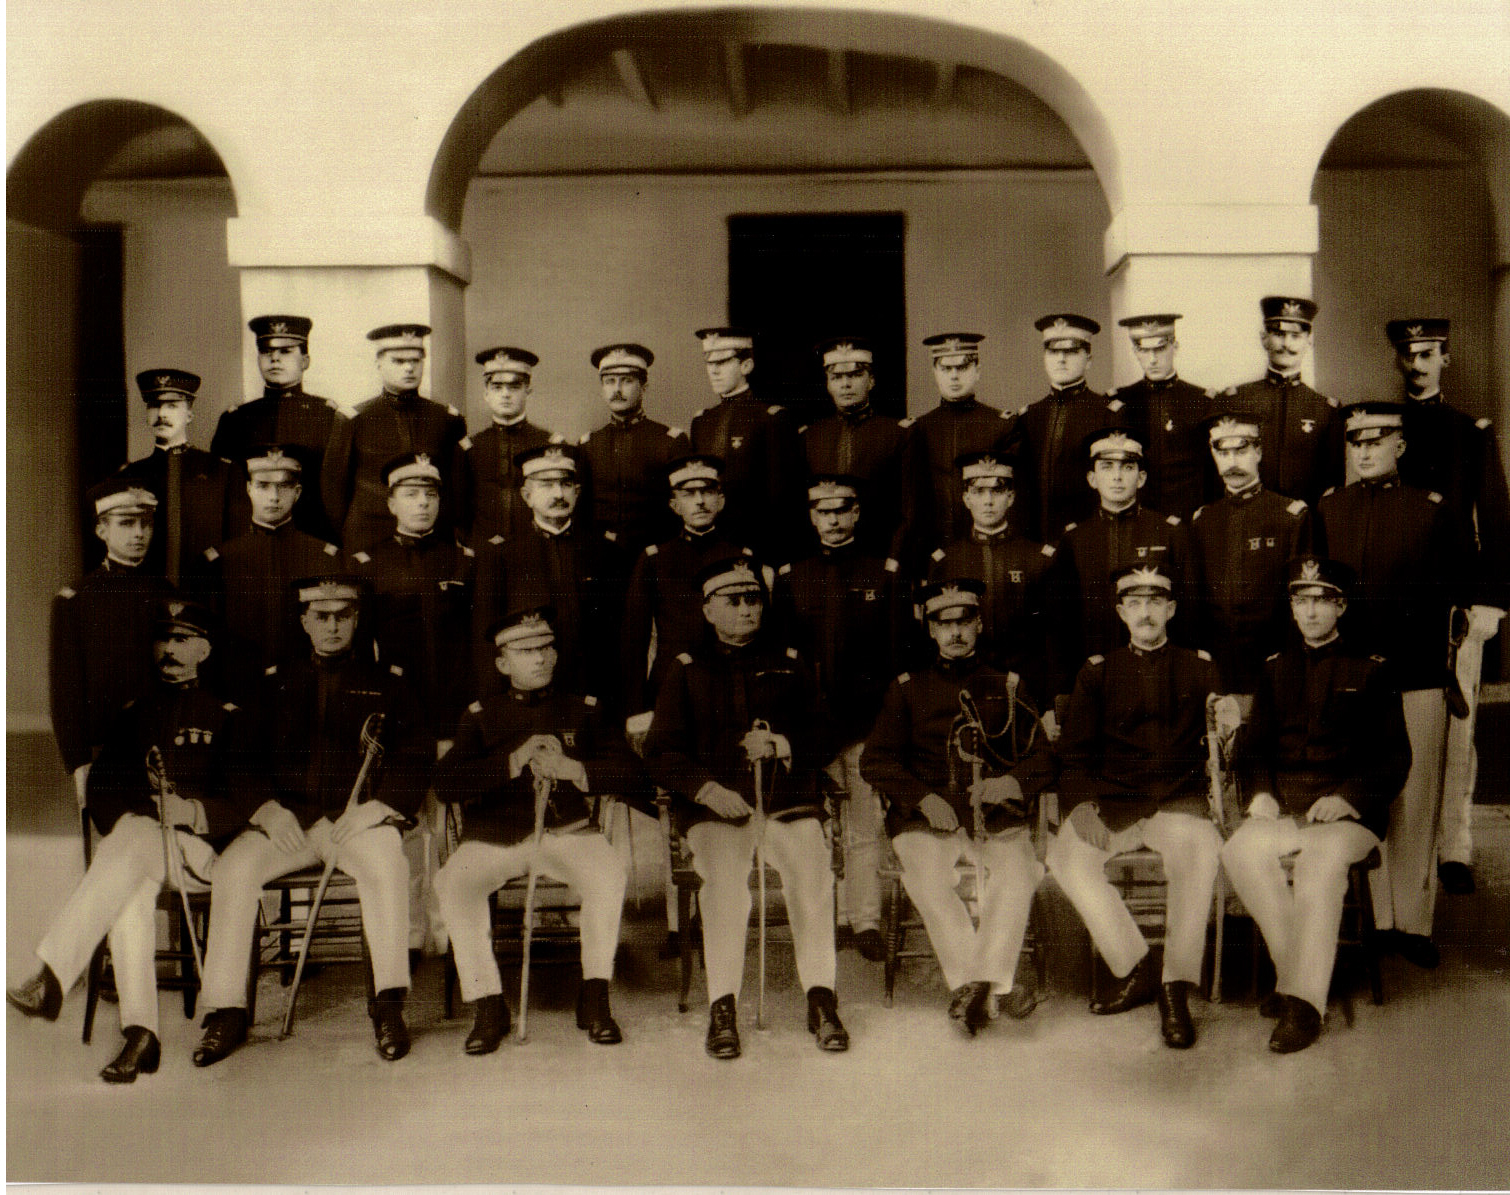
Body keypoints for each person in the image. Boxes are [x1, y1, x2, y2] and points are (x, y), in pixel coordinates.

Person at [190, 575, 431, 1066]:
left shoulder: (389, 683)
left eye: (343, 615)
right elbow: (240, 759)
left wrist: (380, 806)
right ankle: (227, 1010)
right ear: (304, 621)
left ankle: (388, 1004)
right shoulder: (271, 682)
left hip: (355, 821)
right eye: (321, 616)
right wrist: (265, 808)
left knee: (387, 865)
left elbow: (415, 754)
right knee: (234, 872)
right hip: (290, 822)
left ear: (357, 619)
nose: (333, 626)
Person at [9, 600, 244, 1082]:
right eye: (162, 639)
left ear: (205, 649)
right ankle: (141, 1034)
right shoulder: (135, 713)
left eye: (182, 639)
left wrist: (192, 812)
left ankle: (54, 974)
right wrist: (138, 819)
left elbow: (250, 799)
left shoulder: (227, 714)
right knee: (129, 884)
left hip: (208, 854)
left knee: (130, 845)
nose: (168, 649)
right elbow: (104, 791)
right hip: (144, 853)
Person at [645, 555, 848, 1058]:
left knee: (812, 871)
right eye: (732, 601)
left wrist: (781, 743)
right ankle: (723, 1005)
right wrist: (707, 789)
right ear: (708, 610)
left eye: (753, 598)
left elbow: (824, 736)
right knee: (723, 886)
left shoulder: (791, 659)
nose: (745, 609)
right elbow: (660, 751)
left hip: (786, 804)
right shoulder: (685, 668)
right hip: (718, 812)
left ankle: (821, 997)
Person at [434, 605, 646, 1053]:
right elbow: (446, 784)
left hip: (566, 831)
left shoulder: (584, 710)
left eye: (547, 647)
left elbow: (632, 774)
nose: (541, 658)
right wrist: (511, 762)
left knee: (608, 874)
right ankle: (488, 1002)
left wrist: (573, 768)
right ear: (502, 662)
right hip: (496, 836)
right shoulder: (479, 716)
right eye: (526, 650)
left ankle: (594, 995)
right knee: (453, 882)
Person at [1223, 555, 1410, 1053]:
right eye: (1300, 601)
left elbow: (1395, 758)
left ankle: (1304, 1006)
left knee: (1319, 865)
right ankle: (1298, 977)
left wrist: (1347, 798)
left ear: (1341, 607)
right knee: (1238, 852)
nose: (1309, 612)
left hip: (1348, 817)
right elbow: (1255, 748)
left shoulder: (1371, 671)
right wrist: (1261, 793)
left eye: (1321, 601)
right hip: (1287, 809)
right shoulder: (1276, 669)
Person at [1316, 399, 1475, 969]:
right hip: (1350, 680)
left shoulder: (1431, 510)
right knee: (1357, 795)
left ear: (1399, 447)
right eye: (1356, 443)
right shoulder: (1328, 509)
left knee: (1415, 798)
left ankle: (1411, 923)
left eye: (1377, 441)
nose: (1365, 451)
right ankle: (1371, 920)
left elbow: (1454, 592)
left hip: (1414, 675)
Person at [862, 579, 1054, 1033]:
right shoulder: (908, 689)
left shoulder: (1008, 685)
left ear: (979, 624)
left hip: (994, 816)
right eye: (943, 623)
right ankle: (992, 987)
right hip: (926, 820)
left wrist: (1009, 781)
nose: (955, 633)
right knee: (927, 877)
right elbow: (875, 761)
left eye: (964, 621)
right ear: (930, 630)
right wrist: (923, 798)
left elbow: (1044, 756)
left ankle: (973, 989)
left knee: (1021, 871)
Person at [1046, 563, 1223, 1049]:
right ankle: (1137, 965)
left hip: (1179, 799)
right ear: (1122, 612)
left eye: (1155, 603)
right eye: (1136, 604)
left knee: (1198, 857)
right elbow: (1076, 751)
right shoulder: (1098, 672)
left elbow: (1223, 748)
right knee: (1065, 858)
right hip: (1115, 799)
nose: (1146, 614)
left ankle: (1175, 985)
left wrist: (1230, 730)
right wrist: (1081, 806)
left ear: (1171, 609)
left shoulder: (1201, 668)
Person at [1387, 317, 1510, 895]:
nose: (1418, 364)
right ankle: (1398, 844)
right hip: (1397, 601)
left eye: (1428, 353)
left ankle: (1453, 845)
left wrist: (1489, 603)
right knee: (1396, 728)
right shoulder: (1379, 429)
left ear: (1445, 359)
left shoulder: (1471, 432)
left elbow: (1497, 522)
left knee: (1458, 730)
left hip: (1456, 604)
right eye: (1409, 354)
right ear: (1397, 361)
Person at [773, 474, 911, 960]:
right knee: (813, 830)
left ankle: (865, 921)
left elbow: (898, 659)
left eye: (842, 510)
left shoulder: (884, 574)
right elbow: (783, 660)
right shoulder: (791, 578)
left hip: (865, 723)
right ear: (812, 517)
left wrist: (886, 725)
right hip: (809, 726)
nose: (833, 520)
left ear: (856, 514)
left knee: (862, 825)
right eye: (822, 511)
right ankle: (825, 919)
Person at [51, 479, 176, 807]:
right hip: (103, 751)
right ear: (101, 531)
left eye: (145, 524)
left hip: (165, 748)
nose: (138, 534)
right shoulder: (76, 600)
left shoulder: (168, 595)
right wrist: (79, 763)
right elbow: (66, 690)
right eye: (126, 524)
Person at [1048, 427, 1195, 698]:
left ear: (1141, 478)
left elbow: (1188, 614)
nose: (1116, 477)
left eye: (1127, 467)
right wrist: (1062, 689)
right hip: (1094, 678)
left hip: (1160, 676)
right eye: (1106, 467)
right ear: (1092, 478)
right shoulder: (1075, 540)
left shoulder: (1170, 532)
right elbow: (1061, 623)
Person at [619, 454, 756, 732]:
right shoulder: (654, 559)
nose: (700, 501)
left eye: (707, 492)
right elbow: (635, 641)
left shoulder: (740, 557)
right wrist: (636, 708)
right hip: (671, 686)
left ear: (721, 500)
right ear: (674, 505)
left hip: (728, 684)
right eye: (689, 494)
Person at [1188, 406, 1313, 695]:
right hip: (1219, 667)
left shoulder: (1290, 515)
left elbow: (1300, 595)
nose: (1231, 461)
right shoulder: (1203, 520)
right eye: (1223, 452)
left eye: (1241, 451)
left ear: (1258, 452)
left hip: (1274, 664)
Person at [200, 446, 342, 699]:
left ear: (297, 492)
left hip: (305, 693)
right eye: (264, 486)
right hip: (240, 692)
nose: (274, 496)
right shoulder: (221, 559)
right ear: (248, 489)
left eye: (284, 486)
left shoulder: (323, 557)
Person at [471, 444, 613, 698]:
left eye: (566, 484)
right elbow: (485, 639)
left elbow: (620, 636)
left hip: (595, 692)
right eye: (546, 485)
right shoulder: (501, 555)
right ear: (526, 495)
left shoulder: (604, 550)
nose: (559, 493)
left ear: (577, 492)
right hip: (530, 696)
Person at [350, 452, 474, 739]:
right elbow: (363, 648)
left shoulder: (463, 560)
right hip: (397, 702)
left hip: (456, 702)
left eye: (431, 494)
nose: (423, 502)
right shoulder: (368, 564)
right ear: (392, 504)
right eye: (411, 494)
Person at [927, 451, 1056, 705]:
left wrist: (1050, 702)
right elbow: (933, 639)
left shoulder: (1038, 558)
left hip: (1028, 688)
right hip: (963, 690)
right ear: (965, 499)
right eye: (978, 492)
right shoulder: (945, 561)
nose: (988, 501)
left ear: (1011, 497)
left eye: (996, 492)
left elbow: (1053, 638)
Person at [322, 324, 466, 551]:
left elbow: (457, 487)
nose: (409, 368)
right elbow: (334, 491)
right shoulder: (353, 420)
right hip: (370, 539)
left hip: (432, 540)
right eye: (398, 361)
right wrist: (347, 542)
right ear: (379, 364)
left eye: (416, 361)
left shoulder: (446, 419)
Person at [212, 315, 345, 540]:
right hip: (251, 541)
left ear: (305, 361)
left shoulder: (328, 417)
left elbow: (339, 490)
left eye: (285, 352)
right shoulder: (235, 419)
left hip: (313, 538)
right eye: (266, 352)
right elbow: (223, 492)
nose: (274, 359)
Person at [689, 326, 806, 558]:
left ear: (746, 366)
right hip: (710, 545)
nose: (713, 371)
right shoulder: (702, 421)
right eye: (709, 364)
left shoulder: (770, 418)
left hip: (757, 545)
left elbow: (780, 500)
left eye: (722, 363)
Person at [799, 336, 921, 560]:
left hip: (880, 556)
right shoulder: (810, 436)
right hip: (823, 559)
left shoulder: (898, 433)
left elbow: (910, 511)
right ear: (827, 383)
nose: (846, 384)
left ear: (871, 380)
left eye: (855, 375)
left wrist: (893, 562)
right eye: (837, 377)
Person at [1014, 313, 1123, 542]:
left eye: (1071, 352)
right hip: (1035, 543)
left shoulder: (1107, 413)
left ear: (1089, 359)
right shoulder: (1028, 416)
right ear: (1044, 357)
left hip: (1089, 541)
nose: (1061, 359)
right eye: (1053, 351)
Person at [117, 369, 232, 585]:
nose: (161, 413)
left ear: (189, 414)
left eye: (172, 405)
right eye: (154, 405)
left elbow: (237, 541)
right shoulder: (129, 476)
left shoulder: (220, 472)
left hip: (206, 593)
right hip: (147, 593)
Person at [1224, 297, 1341, 506]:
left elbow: (1332, 482)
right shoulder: (1236, 400)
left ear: (1309, 340)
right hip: (1247, 517)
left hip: (1304, 524)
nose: (1286, 344)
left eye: (1295, 336)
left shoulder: (1325, 409)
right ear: (1264, 339)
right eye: (1278, 334)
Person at [578, 342, 689, 558]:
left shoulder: (670, 441)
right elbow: (581, 514)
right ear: (602, 388)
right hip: (602, 558)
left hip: (658, 556)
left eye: (626, 381)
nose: (617, 390)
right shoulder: (588, 445)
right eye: (609, 382)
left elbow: (683, 510)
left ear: (644, 387)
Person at [909, 332, 1018, 550]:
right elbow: (913, 501)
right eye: (946, 369)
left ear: (977, 371)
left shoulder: (1002, 425)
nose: (954, 376)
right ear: (934, 372)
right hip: (934, 548)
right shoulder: (918, 429)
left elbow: (1014, 498)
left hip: (987, 545)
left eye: (962, 367)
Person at [1110, 313, 1214, 520]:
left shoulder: (1201, 401)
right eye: (1144, 350)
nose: (1153, 359)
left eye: (1160, 349)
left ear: (1175, 347)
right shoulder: (1121, 402)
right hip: (1138, 521)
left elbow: (1212, 472)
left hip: (1189, 520)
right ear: (1135, 352)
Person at [459, 345, 558, 546]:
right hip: (483, 553)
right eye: (497, 387)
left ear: (528, 390)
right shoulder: (470, 448)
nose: (506, 394)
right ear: (486, 393)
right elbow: (459, 512)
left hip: (535, 551)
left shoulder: (548, 445)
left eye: (514, 387)